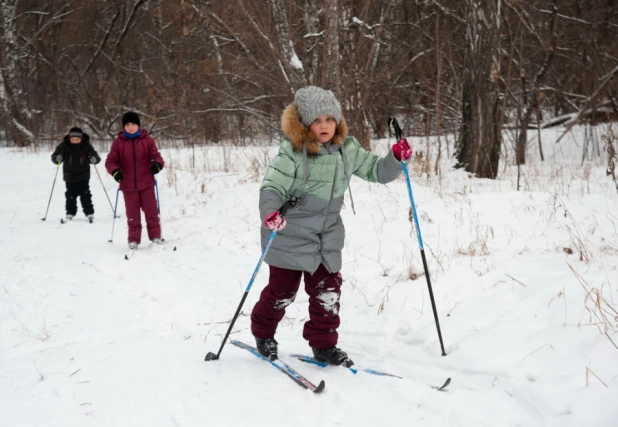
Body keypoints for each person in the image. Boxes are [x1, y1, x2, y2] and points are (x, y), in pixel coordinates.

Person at [250, 86, 413, 366]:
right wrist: (270, 213)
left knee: (328, 290)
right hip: (288, 230)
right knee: (283, 291)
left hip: (326, 235)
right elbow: (272, 186)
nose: (324, 126)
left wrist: (396, 158)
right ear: (304, 123)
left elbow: (376, 170)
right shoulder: (291, 153)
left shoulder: (347, 149)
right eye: (317, 120)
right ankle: (263, 333)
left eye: (329, 119)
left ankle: (324, 345)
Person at [105, 111, 165, 250]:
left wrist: (157, 164)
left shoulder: (148, 141)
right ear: (123, 127)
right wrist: (115, 172)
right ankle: (133, 239)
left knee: (151, 212)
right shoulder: (118, 143)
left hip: (147, 184)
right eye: (127, 125)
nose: (130, 127)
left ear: (138, 125)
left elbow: (157, 157)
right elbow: (110, 161)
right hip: (128, 185)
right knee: (132, 215)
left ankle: (155, 236)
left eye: (133, 124)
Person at [51, 127, 101, 222]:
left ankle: (89, 212)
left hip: (83, 175)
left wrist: (94, 159)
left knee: (85, 195)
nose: (75, 141)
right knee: (70, 195)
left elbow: (95, 156)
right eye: (73, 139)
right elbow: (54, 156)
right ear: (69, 138)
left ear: (81, 139)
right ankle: (70, 213)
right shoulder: (64, 146)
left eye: (77, 139)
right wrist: (58, 158)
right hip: (69, 176)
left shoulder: (86, 146)